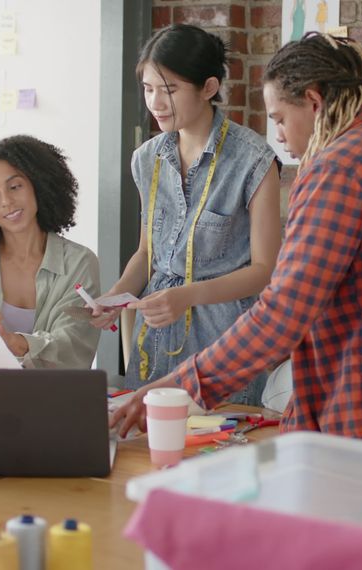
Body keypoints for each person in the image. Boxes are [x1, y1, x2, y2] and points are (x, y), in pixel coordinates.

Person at [110, 32, 362, 441]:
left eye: (278, 118)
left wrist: (178, 387)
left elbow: (282, 312)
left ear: (313, 102)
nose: (278, 136)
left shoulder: (339, 165)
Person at [91, 24, 281, 405]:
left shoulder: (253, 160)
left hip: (226, 341)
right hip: (157, 334)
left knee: (221, 453)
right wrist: (115, 296)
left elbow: (265, 271)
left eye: (170, 90)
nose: (156, 103)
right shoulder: (147, 159)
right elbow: (147, 254)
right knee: (146, 452)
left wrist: (187, 296)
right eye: (148, 89)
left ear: (208, 88)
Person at [0, 135, 101, 369]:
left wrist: (15, 343)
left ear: (37, 186)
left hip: (51, 397)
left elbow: (72, 350)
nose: (7, 202)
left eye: (15, 187)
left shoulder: (79, 263)